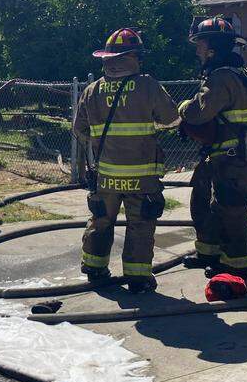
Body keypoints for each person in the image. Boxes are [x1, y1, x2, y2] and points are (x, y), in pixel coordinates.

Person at [73, 28, 179, 293]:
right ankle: (138, 278)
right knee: (141, 225)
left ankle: (95, 269)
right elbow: (172, 119)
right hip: (143, 178)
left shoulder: (92, 90)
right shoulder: (148, 86)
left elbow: (79, 129)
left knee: (101, 220)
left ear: (107, 58)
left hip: (106, 177)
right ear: (133, 57)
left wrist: (101, 142)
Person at [179, 16, 247, 280]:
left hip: (233, 156)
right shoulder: (229, 73)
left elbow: (199, 112)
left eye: (200, 44)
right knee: (203, 201)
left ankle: (237, 264)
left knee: (231, 209)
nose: (197, 50)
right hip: (219, 154)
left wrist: (182, 108)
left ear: (212, 47)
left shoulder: (222, 77)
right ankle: (208, 252)